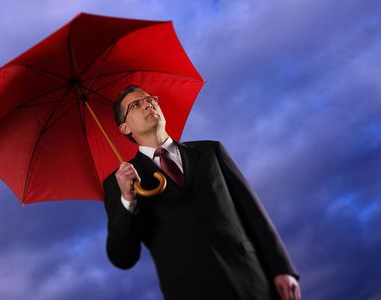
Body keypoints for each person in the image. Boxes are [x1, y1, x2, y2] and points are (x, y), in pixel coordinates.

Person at [103, 85, 301, 300]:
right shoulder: (119, 183)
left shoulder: (211, 152)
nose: (148, 105)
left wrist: (281, 267)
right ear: (124, 128)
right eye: (135, 105)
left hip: (250, 277)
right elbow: (123, 257)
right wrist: (128, 199)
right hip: (191, 289)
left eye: (151, 99)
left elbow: (251, 210)